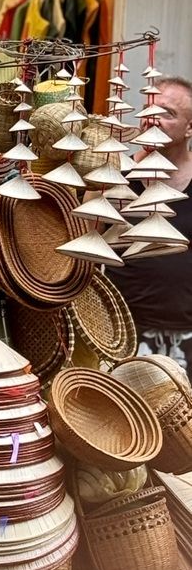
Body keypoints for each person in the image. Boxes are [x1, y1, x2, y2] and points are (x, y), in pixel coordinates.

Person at [106, 76, 192, 369]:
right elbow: (88, 241)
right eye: (148, 110)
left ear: (190, 127)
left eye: (167, 114)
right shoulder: (117, 179)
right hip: (120, 334)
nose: (152, 120)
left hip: (184, 340)